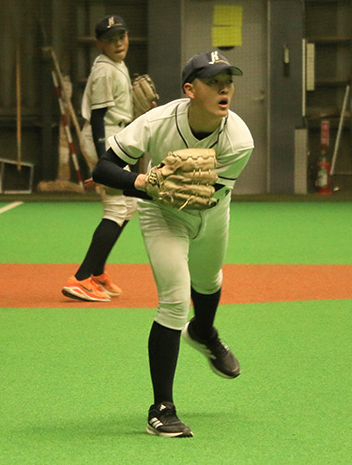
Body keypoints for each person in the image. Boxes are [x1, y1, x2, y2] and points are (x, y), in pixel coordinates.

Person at [92, 51, 254, 437]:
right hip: (161, 213)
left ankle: (204, 332)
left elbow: (203, 194)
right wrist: (143, 182)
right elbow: (103, 167)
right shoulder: (157, 121)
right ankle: (162, 408)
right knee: (176, 300)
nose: (224, 87)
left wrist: (168, 180)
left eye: (228, 79)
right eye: (214, 81)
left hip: (213, 213)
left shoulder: (240, 139)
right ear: (189, 89)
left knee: (209, 281)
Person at [61, 15, 138, 302]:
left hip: (116, 138)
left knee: (129, 206)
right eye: (111, 39)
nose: (119, 43)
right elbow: (96, 116)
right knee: (118, 209)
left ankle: (97, 273)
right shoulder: (105, 71)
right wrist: (104, 162)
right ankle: (80, 278)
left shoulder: (116, 65)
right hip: (105, 140)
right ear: (99, 44)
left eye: (122, 36)